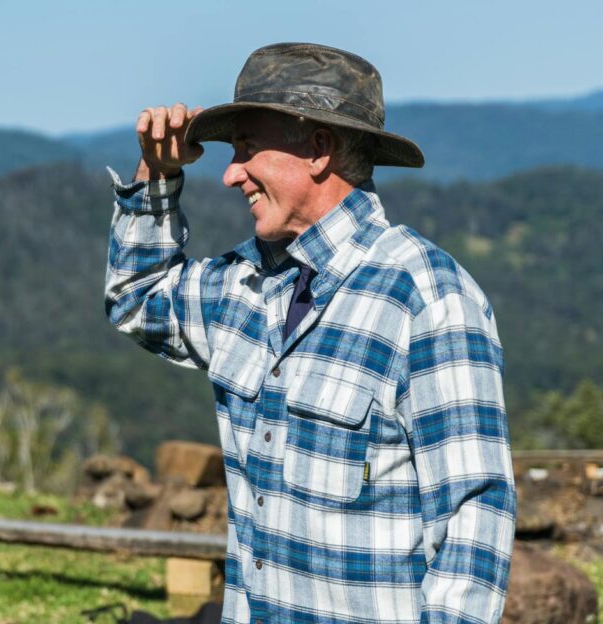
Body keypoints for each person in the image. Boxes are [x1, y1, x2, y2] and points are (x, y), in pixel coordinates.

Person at [104, 43, 515, 623]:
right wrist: (157, 175)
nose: (228, 174)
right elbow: (135, 299)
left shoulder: (427, 296)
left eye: (246, 148)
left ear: (318, 149)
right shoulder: (240, 284)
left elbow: (473, 519)